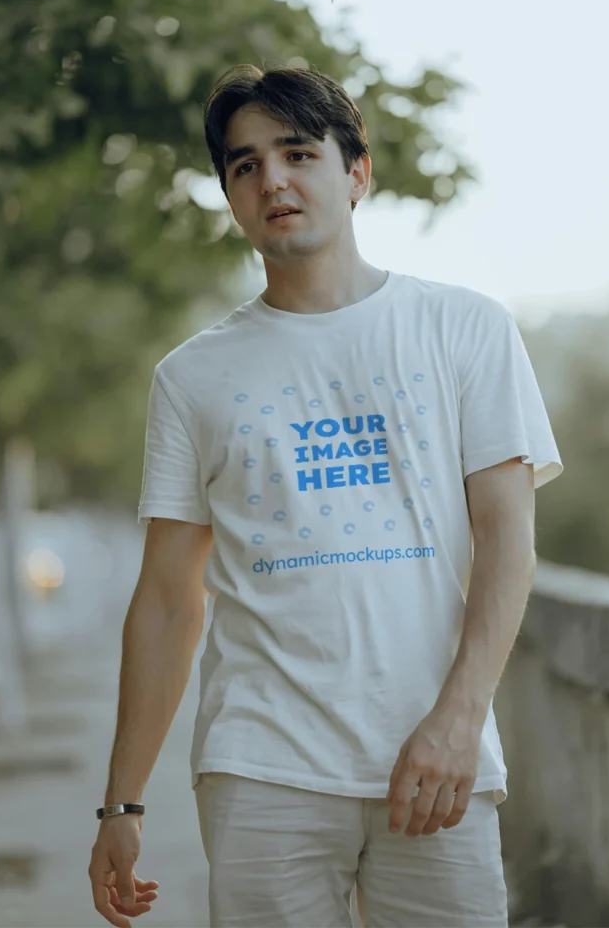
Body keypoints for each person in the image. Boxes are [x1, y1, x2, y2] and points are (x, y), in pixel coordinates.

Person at [88, 63, 563, 928]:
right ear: (229, 194)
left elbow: (507, 544)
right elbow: (165, 601)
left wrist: (459, 721)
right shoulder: (192, 377)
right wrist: (121, 804)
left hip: (437, 760)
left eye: (298, 152)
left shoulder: (464, 329)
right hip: (261, 768)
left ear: (356, 172)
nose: (271, 179)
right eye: (244, 165)